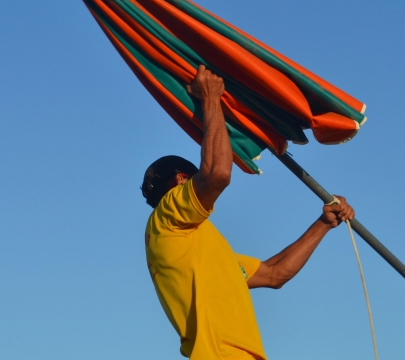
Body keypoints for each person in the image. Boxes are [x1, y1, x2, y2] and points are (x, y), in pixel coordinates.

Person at [141, 65, 355, 360]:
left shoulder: (194, 246)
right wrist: (211, 100)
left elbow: (274, 274)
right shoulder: (168, 216)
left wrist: (323, 223)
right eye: (193, 178)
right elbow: (217, 173)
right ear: (180, 181)